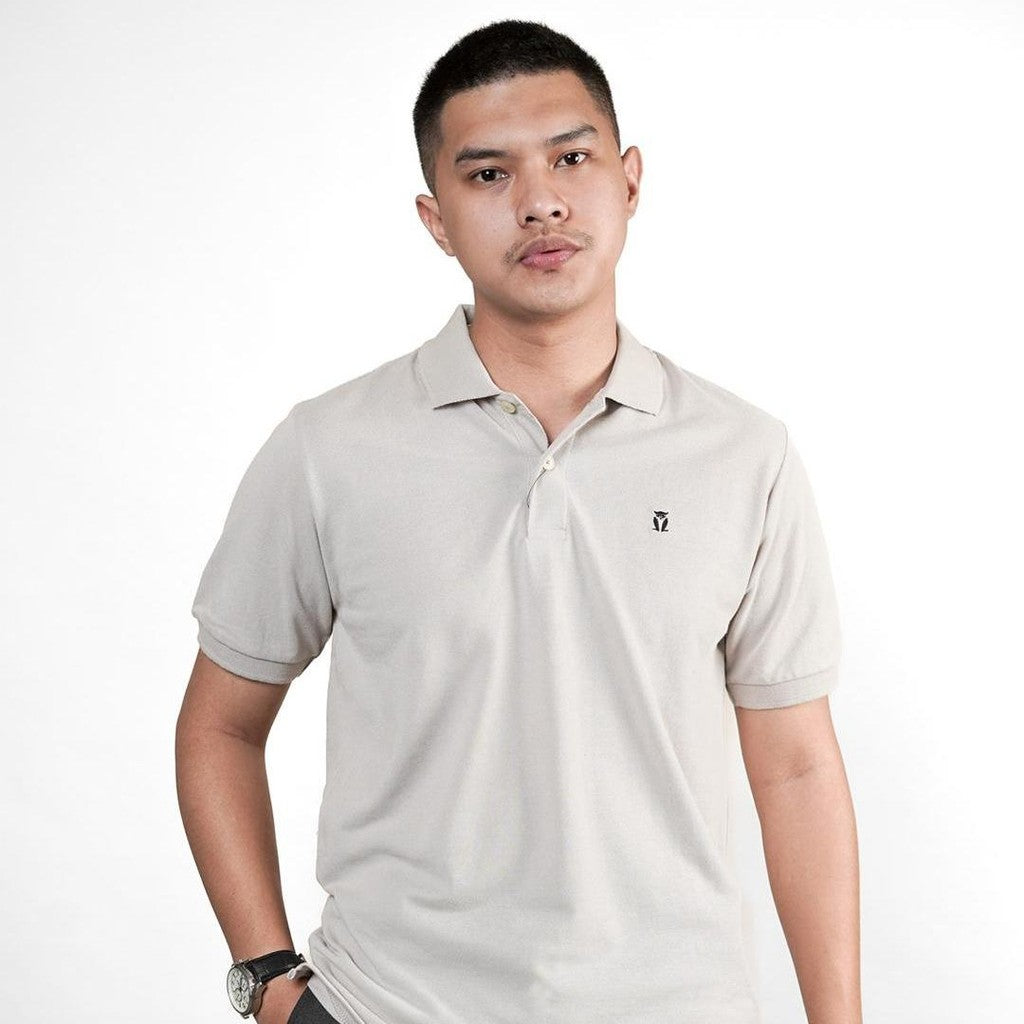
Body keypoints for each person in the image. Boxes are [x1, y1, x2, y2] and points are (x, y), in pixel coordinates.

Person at [175, 18, 862, 1024]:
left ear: (629, 180)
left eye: (571, 159)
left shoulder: (742, 454)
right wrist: (269, 978)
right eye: (489, 174)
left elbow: (795, 764)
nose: (539, 201)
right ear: (436, 218)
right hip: (389, 1004)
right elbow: (220, 724)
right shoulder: (329, 448)